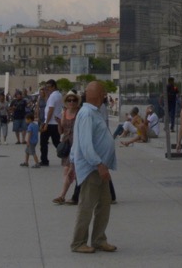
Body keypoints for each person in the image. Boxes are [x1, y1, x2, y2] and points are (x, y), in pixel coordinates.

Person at [69, 81, 118, 253]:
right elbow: (85, 144)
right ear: (97, 95)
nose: (105, 95)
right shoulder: (87, 114)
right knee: (86, 206)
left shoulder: (93, 112)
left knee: (104, 204)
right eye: (103, 92)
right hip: (93, 168)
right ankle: (78, 242)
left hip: (100, 167)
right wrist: (98, 164)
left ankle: (98, 239)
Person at [53, 90, 80, 204]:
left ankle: (63, 195)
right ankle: (64, 194)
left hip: (77, 143)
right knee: (67, 170)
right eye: (69, 100)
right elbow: (61, 131)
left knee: (71, 170)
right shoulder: (64, 112)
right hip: (66, 143)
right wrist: (59, 123)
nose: (71, 102)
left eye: (74, 100)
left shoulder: (80, 112)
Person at [41, 80, 64, 166]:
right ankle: (65, 156)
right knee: (56, 142)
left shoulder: (53, 96)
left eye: (49, 87)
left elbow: (50, 110)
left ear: (53, 86)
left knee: (43, 142)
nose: (48, 89)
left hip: (50, 122)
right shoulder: (58, 95)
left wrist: (46, 124)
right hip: (55, 123)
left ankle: (44, 160)